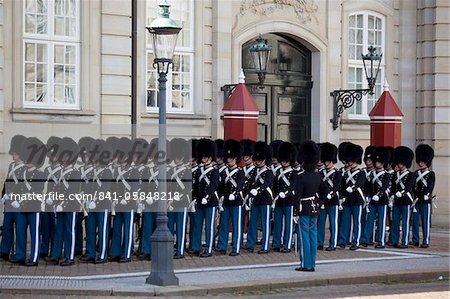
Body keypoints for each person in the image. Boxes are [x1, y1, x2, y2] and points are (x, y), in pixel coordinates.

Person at [294, 140, 326, 272]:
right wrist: (320, 202)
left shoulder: (300, 176)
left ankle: (305, 264)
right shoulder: (317, 176)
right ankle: (312, 263)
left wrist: (295, 212)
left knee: (304, 237)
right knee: (313, 235)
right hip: (314, 208)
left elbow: (297, 195)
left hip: (303, 208)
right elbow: (325, 190)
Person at [1, 135, 27, 262]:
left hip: (18, 203)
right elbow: (7, 181)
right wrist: (3, 195)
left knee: (20, 229)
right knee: (7, 227)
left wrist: (15, 198)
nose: (13, 155)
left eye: (15, 153)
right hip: (9, 202)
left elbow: (23, 187)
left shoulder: (25, 168)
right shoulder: (12, 166)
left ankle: (20, 254)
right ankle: (5, 250)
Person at [244, 141, 274, 254]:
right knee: (252, 222)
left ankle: (265, 246)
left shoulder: (269, 172)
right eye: (256, 159)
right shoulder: (255, 171)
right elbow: (251, 182)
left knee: (266, 223)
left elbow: (266, 184)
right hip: (256, 200)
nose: (257, 162)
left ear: (264, 159)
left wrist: (257, 190)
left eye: (259, 159)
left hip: (265, 199)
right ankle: (250, 243)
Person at [192, 139, 219, 257]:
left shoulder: (214, 171)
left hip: (210, 202)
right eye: (202, 156)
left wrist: (207, 196)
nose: (204, 158)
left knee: (209, 226)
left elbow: (213, 185)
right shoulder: (199, 170)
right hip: (199, 201)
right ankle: (196, 247)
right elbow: (196, 185)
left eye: (206, 156)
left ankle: (208, 249)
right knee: (197, 225)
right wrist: (194, 198)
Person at [217, 139, 244, 256]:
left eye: (231, 158)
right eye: (228, 158)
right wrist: (221, 196)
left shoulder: (240, 172)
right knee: (223, 225)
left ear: (236, 159)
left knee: (236, 226)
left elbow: (240, 185)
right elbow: (221, 186)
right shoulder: (224, 172)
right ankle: (222, 246)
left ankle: (236, 248)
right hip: (226, 202)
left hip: (236, 201)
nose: (229, 160)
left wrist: (235, 193)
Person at [272, 142, 297, 253]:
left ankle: (287, 244)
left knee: (288, 224)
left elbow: (292, 186)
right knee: (277, 223)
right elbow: (275, 186)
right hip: (278, 201)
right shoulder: (278, 172)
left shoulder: (294, 173)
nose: (283, 161)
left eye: (285, 159)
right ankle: (277, 243)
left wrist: (286, 193)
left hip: (289, 201)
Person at [340, 143, 366, 250]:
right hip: (347, 200)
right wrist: (342, 196)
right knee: (345, 221)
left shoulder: (361, 172)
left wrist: (353, 187)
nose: (349, 162)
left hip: (357, 199)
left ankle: (356, 241)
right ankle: (343, 240)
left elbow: (360, 182)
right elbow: (342, 185)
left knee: (357, 221)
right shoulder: (346, 173)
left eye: (351, 160)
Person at [364, 147, 391, 249]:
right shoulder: (372, 174)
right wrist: (367, 195)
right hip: (372, 200)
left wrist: (378, 194)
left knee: (381, 221)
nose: (377, 163)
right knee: (369, 220)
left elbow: (384, 186)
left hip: (382, 200)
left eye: (379, 162)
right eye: (377, 161)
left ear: (383, 163)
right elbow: (368, 186)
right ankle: (366, 239)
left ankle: (381, 241)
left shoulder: (386, 175)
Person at [317, 142, 342, 251]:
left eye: (327, 160)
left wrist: (329, 194)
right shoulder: (321, 172)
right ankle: (319, 242)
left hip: (333, 200)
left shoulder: (337, 173)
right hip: (322, 201)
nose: (326, 162)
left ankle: (333, 244)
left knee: (333, 223)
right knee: (320, 223)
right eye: (325, 160)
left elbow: (336, 187)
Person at [390, 146, 415, 248]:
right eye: (399, 162)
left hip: (406, 200)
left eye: (401, 162)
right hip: (397, 201)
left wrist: (402, 192)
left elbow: (409, 187)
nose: (399, 164)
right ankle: (395, 240)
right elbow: (393, 186)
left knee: (405, 222)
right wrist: (392, 196)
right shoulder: (396, 174)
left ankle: (405, 241)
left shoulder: (410, 175)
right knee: (395, 222)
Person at [411, 144, 435, 248]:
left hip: (425, 201)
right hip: (416, 200)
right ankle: (415, 239)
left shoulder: (430, 174)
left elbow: (430, 186)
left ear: (427, 162)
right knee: (415, 221)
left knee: (425, 221)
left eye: (423, 162)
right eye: (420, 161)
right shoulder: (416, 173)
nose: (421, 163)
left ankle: (426, 240)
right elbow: (413, 186)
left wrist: (427, 194)